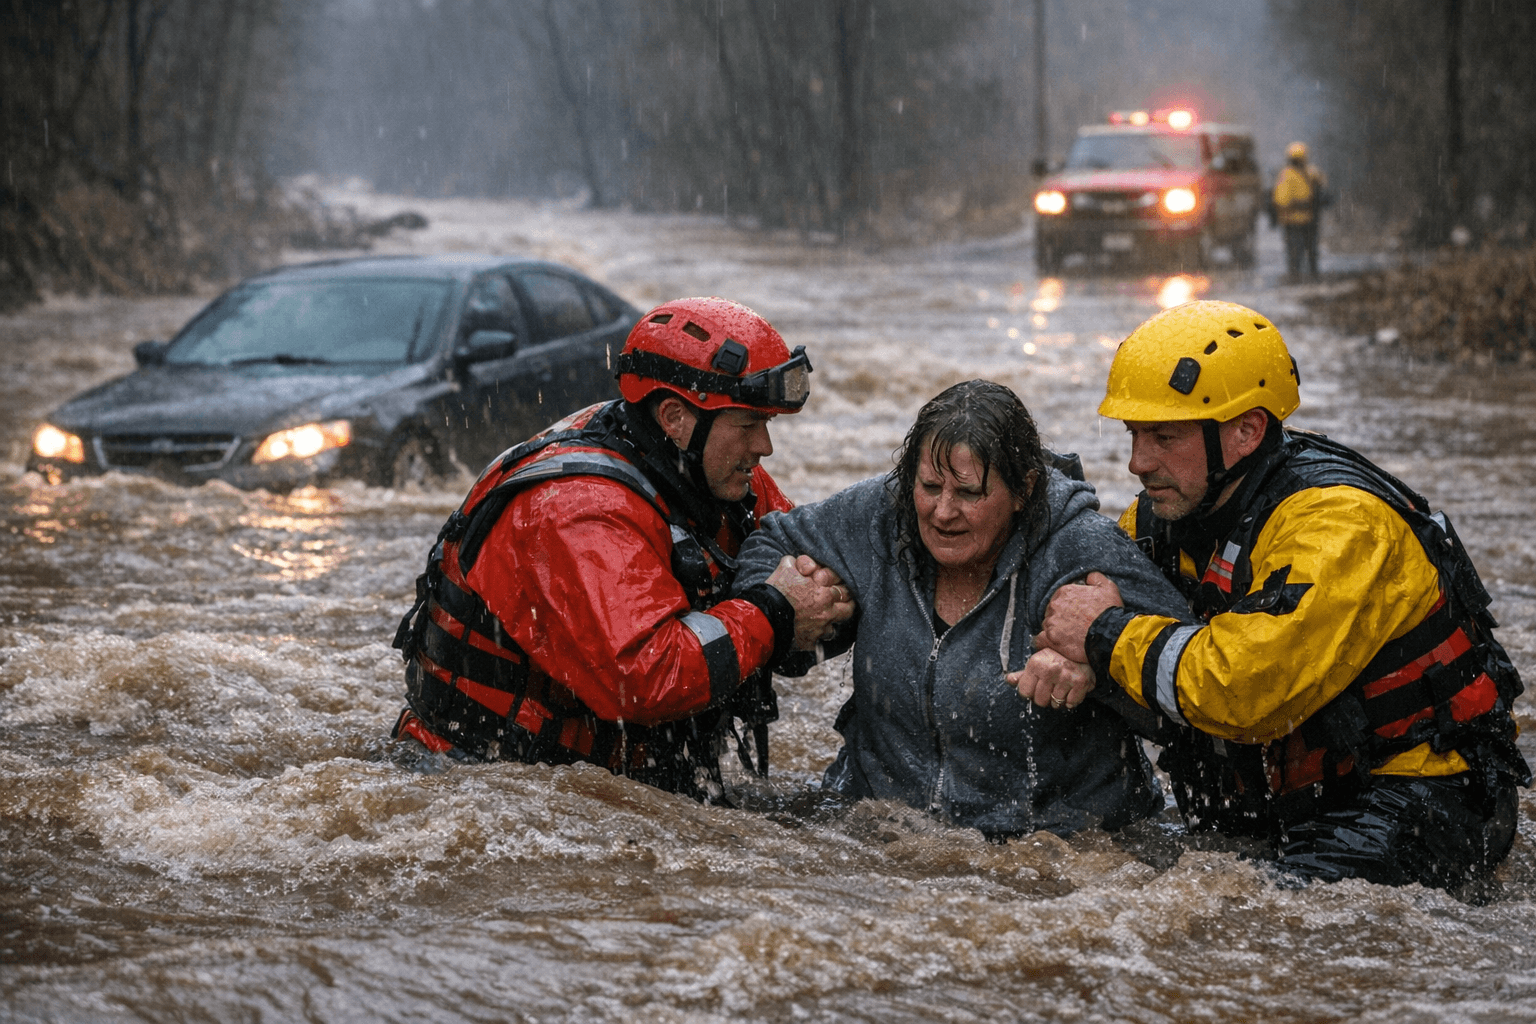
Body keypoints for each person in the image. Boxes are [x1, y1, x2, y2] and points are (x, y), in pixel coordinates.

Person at [1029, 299, 1530, 889]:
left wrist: (1103, 637)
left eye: (1164, 436)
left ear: (1246, 432)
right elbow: (1088, 612)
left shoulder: (1339, 523)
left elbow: (1246, 687)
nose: (1138, 461)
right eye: (1135, 434)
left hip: (1421, 793)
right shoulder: (1168, 510)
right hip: (1296, 798)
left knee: (1251, 917)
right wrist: (1077, 662)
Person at [390, 297, 854, 801]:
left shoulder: (709, 467)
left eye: (768, 424)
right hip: (482, 788)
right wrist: (776, 614)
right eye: (748, 425)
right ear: (675, 417)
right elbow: (645, 679)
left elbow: (813, 560)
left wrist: (818, 611)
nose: (765, 447)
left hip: (619, 783)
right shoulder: (576, 509)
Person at [734, 380, 1190, 838]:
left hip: (1054, 853)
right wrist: (791, 606)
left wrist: (1101, 661)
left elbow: (1190, 700)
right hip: (875, 833)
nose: (942, 512)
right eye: (929, 486)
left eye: (970, 493)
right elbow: (769, 543)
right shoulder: (882, 515)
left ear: (1023, 490)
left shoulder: (1080, 549)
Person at [1271, 141, 1326, 279]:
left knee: (1298, 251)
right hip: (1300, 219)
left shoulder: (1291, 174)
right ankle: (1307, 274)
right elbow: (1282, 200)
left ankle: (1298, 275)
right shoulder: (1302, 173)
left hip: (1298, 219)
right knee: (1307, 250)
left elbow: (1280, 200)